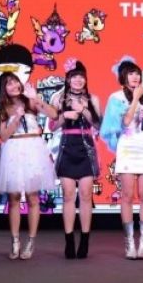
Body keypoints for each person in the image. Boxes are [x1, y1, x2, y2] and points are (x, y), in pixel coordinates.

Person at [99, 57, 143, 259]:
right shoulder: (116, 98)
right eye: (131, 73)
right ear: (123, 76)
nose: (135, 77)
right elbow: (125, 122)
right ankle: (129, 242)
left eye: (137, 73)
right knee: (127, 196)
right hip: (127, 149)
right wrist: (136, 98)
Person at [0, 70, 57, 260]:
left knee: (33, 198)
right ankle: (15, 241)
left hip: (33, 149)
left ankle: (31, 241)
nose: (14, 86)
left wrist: (36, 99)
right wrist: (15, 118)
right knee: (14, 198)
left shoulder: (30, 101)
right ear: (4, 89)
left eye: (16, 82)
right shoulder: (3, 108)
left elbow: (54, 115)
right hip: (13, 149)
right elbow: (3, 136)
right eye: (9, 83)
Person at [50, 59, 102, 259]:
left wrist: (84, 110)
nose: (78, 80)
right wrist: (66, 115)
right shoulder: (59, 98)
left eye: (81, 76)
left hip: (86, 147)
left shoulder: (93, 98)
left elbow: (98, 125)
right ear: (68, 79)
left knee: (87, 195)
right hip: (67, 147)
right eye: (74, 77)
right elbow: (52, 126)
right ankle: (69, 240)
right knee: (68, 195)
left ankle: (85, 240)